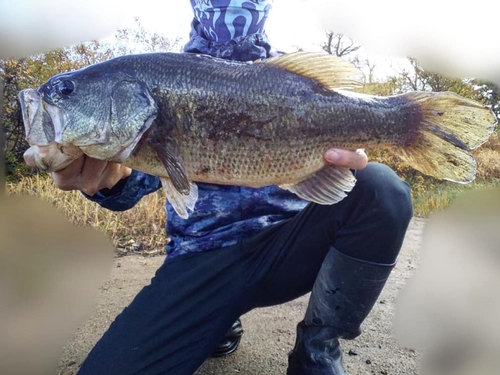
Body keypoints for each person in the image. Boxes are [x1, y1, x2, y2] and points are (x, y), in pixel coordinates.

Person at [50, 1, 413, 374]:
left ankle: (317, 350)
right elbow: (129, 184)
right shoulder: (158, 78)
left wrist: (357, 136)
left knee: (379, 187)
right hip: (202, 265)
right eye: (67, 91)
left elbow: (345, 142)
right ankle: (218, 318)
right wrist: (105, 182)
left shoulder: (295, 77)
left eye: (66, 92)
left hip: (287, 252)